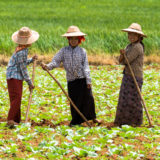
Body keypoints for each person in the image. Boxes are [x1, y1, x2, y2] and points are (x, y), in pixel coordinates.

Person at [41, 25, 100, 126]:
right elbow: (55, 61)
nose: (73, 41)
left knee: (88, 99)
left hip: (82, 79)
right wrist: (47, 66)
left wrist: (88, 80)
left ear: (79, 40)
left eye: (75, 39)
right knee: (75, 101)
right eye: (71, 39)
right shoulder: (63, 51)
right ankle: (76, 121)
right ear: (68, 39)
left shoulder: (82, 51)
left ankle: (93, 118)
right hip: (72, 81)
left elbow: (86, 66)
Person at [114, 23, 147, 126]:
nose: (131, 37)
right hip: (128, 75)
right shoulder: (129, 46)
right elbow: (120, 61)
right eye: (129, 34)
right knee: (124, 98)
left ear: (139, 36)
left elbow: (127, 60)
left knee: (134, 99)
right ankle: (123, 121)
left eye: (134, 35)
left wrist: (123, 56)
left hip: (135, 76)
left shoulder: (138, 47)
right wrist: (122, 55)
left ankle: (135, 122)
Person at [6, 27, 39, 126]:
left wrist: (31, 60)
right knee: (17, 97)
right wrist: (30, 82)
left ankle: (16, 120)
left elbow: (22, 62)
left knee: (15, 97)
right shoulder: (21, 52)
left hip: (14, 76)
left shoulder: (22, 49)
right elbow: (23, 68)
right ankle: (10, 119)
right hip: (14, 77)